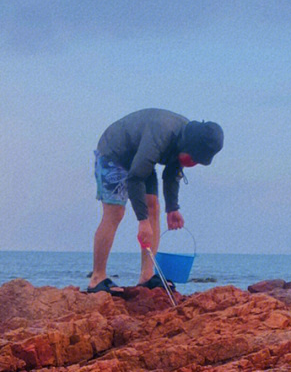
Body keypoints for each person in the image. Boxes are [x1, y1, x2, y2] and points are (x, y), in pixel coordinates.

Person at [87, 109, 223, 293]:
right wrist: (142, 222)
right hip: (115, 152)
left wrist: (172, 208)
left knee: (154, 207)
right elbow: (135, 178)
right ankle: (97, 278)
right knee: (115, 212)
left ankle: (146, 275)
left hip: (140, 156)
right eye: (193, 159)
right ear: (188, 147)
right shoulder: (161, 135)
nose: (193, 163)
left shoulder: (190, 137)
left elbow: (172, 172)